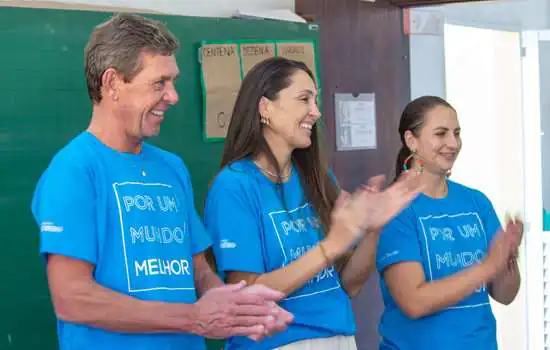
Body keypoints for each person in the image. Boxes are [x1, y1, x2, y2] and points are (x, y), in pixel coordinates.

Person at [30, 13, 293, 350]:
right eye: (159, 83)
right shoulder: (74, 170)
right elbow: (72, 298)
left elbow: (198, 272)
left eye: (173, 82)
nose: (173, 96)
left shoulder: (172, 168)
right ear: (111, 83)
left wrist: (236, 305)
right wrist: (192, 318)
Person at [202, 57, 425, 349]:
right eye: (304, 99)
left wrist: (373, 229)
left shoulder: (318, 178)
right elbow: (247, 296)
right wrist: (331, 245)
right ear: (265, 107)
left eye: (315, 100)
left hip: (339, 339)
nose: (316, 112)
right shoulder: (234, 186)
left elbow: (349, 284)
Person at [375, 95, 523, 350]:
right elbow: (414, 302)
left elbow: (505, 295)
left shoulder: (477, 202)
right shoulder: (395, 208)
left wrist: (507, 256)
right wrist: (488, 266)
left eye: (456, 133)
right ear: (412, 140)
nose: (453, 143)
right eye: (441, 134)